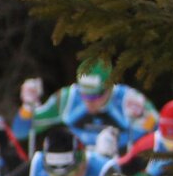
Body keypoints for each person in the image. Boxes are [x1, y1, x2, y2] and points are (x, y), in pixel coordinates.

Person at [14, 58, 160, 158]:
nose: (89, 102)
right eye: (84, 94)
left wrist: (145, 119)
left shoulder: (128, 101)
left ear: (110, 86)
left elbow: (161, 135)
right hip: (80, 174)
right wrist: (27, 107)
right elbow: (21, 132)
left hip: (119, 174)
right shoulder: (68, 98)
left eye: (96, 95)